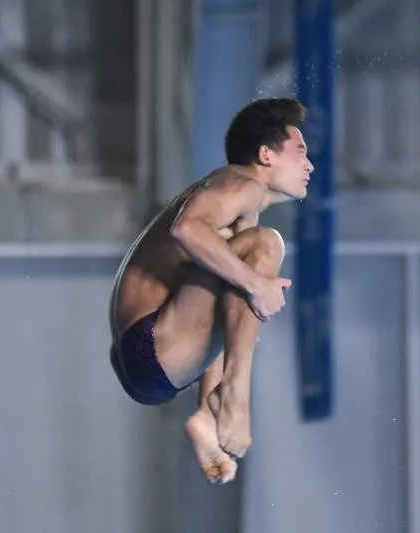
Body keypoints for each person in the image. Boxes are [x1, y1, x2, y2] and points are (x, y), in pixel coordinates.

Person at [108, 97, 314, 485]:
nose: (310, 165)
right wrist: (258, 285)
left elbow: (224, 303)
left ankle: (209, 409)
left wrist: (252, 285)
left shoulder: (241, 207)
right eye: (300, 151)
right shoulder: (240, 183)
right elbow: (186, 229)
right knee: (267, 245)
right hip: (150, 343)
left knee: (250, 264)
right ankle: (233, 398)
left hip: (149, 354)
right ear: (266, 154)